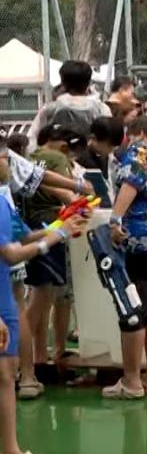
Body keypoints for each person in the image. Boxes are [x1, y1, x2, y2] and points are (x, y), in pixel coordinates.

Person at [0, 145, 88, 454]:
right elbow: (10, 253)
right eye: (5, 158)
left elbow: (23, 237)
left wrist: (61, 226)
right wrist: (53, 239)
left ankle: (10, 452)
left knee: (5, 375)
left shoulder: (5, 201)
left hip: (5, 297)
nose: (10, 163)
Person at [87, 115, 147, 399]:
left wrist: (115, 220)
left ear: (137, 132)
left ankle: (131, 381)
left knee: (133, 310)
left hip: (137, 239)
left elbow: (130, 185)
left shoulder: (139, 153)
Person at [16, 126, 79, 395]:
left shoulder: (28, 159)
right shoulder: (57, 160)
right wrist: (78, 189)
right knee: (41, 297)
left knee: (37, 297)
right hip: (48, 223)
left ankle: (36, 360)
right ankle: (23, 364)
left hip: (28, 226)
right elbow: (63, 194)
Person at [33, 60, 111, 136]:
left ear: (63, 82)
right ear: (89, 82)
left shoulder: (50, 109)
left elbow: (35, 136)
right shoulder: (102, 109)